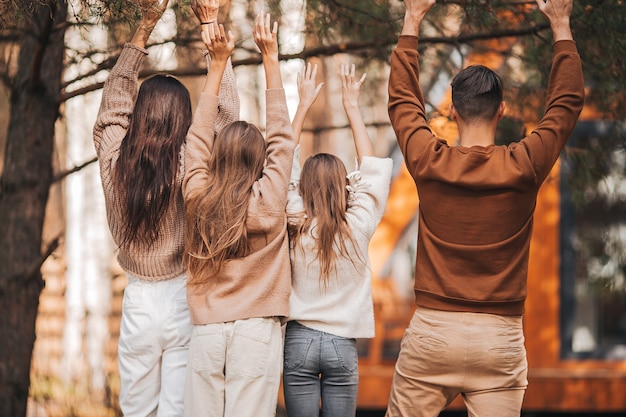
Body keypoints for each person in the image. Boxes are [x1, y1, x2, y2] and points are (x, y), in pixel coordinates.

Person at [384, 0, 584, 415]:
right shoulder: (524, 165)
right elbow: (565, 106)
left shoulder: (428, 161)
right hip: (500, 340)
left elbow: (403, 103)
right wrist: (560, 24)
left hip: (433, 333)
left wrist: (413, 19)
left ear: (452, 111)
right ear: (503, 110)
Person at [92, 0, 238, 414]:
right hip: (181, 295)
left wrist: (145, 26)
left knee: (137, 409)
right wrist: (212, 29)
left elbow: (112, 105)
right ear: (183, 120)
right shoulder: (188, 162)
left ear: (138, 116)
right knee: (178, 409)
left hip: (138, 300)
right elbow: (225, 119)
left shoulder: (113, 159)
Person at [182, 12, 293, 417]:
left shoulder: (198, 197)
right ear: (261, 162)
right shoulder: (268, 200)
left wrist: (215, 66)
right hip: (257, 332)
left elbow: (197, 139)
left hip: (207, 331)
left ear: (216, 157)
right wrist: (270, 58)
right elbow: (282, 138)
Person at [282, 62, 393, 417]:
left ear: (304, 188)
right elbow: (373, 168)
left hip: (298, 339)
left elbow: (283, 164)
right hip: (342, 344)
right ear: (345, 186)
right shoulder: (358, 225)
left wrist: (302, 105)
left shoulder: (296, 221)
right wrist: (353, 107)